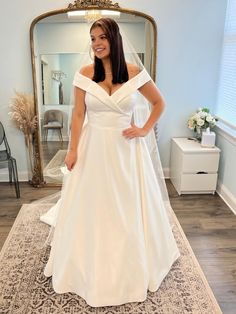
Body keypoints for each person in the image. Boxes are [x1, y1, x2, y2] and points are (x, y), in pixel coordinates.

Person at [41, 17, 180, 307]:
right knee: (93, 203)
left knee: (126, 202)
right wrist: (72, 149)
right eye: (92, 38)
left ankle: (130, 258)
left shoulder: (132, 72)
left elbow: (159, 103)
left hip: (125, 150)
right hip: (93, 147)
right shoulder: (84, 73)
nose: (97, 43)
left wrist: (143, 128)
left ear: (113, 39)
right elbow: (78, 115)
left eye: (102, 37)